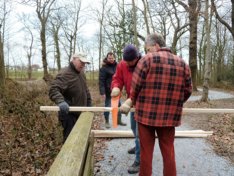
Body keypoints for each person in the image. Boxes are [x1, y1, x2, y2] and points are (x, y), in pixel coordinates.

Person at [120, 33, 192, 176]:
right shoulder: (183, 63)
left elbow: (136, 87)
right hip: (169, 118)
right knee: (168, 153)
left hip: (145, 117)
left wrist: (132, 100)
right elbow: (188, 90)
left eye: (148, 48)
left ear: (156, 46)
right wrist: (174, 104)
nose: (147, 52)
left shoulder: (146, 60)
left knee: (146, 154)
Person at [111, 44, 141, 174]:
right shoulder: (122, 64)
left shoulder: (144, 64)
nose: (128, 64)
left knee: (140, 134)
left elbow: (144, 86)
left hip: (142, 103)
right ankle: (138, 146)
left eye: (131, 61)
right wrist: (116, 87)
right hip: (130, 102)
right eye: (126, 61)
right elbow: (117, 78)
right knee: (134, 128)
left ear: (137, 57)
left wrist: (131, 101)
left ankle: (140, 161)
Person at [49, 53, 92, 143]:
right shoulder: (65, 74)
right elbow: (53, 90)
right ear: (73, 59)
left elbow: (85, 90)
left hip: (81, 112)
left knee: (81, 140)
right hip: (69, 114)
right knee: (70, 141)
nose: (83, 65)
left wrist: (89, 103)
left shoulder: (81, 73)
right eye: (81, 62)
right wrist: (61, 102)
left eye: (85, 63)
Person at [99, 52, 126, 128]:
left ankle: (119, 120)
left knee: (119, 106)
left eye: (112, 58)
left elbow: (121, 78)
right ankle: (107, 121)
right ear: (107, 58)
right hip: (108, 92)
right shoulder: (103, 68)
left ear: (114, 58)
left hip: (117, 90)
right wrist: (102, 92)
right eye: (109, 58)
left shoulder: (118, 66)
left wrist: (122, 88)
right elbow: (101, 81)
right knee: (108, 106)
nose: (111, 59)